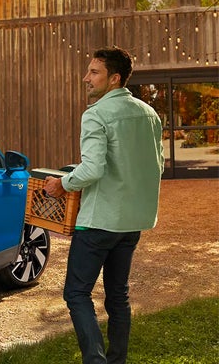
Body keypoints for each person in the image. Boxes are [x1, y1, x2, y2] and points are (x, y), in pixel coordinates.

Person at [43, 47, 164, 364]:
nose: (86, 77)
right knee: (118, 294)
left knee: (76, 293)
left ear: (115, 78)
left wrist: (62, 183)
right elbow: (156, 166)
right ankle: (117, 360)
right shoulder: (149, 114)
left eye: (94, 72)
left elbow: (94, 168)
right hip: (132, 221)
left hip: (99, 221)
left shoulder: (96, 114)